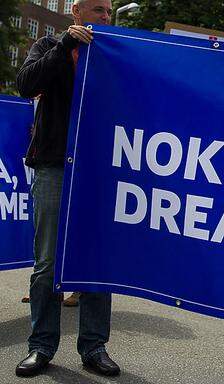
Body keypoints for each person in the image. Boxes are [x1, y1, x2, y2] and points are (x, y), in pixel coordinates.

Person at [14, 0, 120, 377]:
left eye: (109, 12)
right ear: (76, 12)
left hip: (97, 171)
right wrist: (64, 48)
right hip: (54, 167)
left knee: (95, 263)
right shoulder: (47, 47)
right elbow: (26, 84)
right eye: (98, 11)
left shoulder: (114, 56)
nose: (105, 18)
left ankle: (94, 347)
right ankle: (41, 346)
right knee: (46, 264)